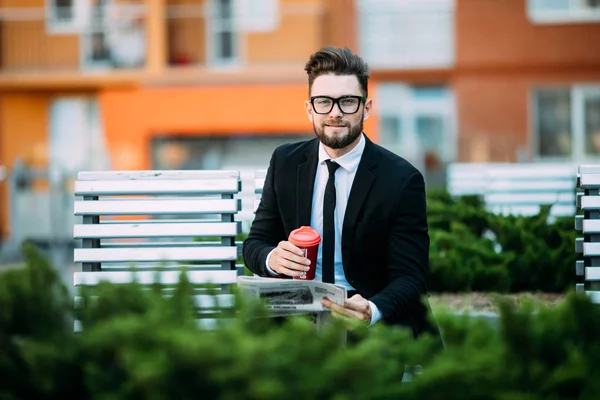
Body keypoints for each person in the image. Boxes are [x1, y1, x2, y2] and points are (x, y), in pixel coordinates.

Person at [243, 46, 438, 339]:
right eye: (324, 102)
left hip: (365, 319)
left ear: (366, 108)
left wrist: (373, 309)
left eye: (347, 101)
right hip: (295, 316)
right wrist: (272, 258)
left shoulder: (401, 179)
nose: (335, 113)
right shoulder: (285, 162)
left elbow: (411, 277)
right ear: (310, 108)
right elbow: (255, 244)